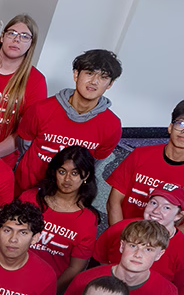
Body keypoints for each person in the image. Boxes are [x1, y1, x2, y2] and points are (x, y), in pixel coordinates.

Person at [15, 49, 123, 192]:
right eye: (89, 73)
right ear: (76, 74)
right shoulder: (41, 109)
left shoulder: (112, 125)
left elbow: (92, 164)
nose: (94, 81)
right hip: (27, 189)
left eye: (103, 77)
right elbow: (24, 146)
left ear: (110, 84)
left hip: (65, 197)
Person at [106, 100, 184, 236]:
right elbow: (114, 202)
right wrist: (121, 237)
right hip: (122, 233)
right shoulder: (140, 155)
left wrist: (152, 247)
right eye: (181, 124)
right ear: (170, 127)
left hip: (159, 244)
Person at [95, 187, 184, 295]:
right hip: (107, 291)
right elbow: (100, 258)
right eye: (154, 203)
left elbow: (178, 290)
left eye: (166, 207)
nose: (156, 211)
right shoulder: (119, 229)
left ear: (179, 215)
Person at [24, 145, 99, 292]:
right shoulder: (30, 198)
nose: (67, 179)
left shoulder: (88, 220)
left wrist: (48, 293)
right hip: (10, 275)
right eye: (62, 171)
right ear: (54, 172)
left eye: (75, 173)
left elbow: (76, 267)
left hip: (48, 287)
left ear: (86, 176)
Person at [0, 16, 47, 154]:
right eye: (12, 33)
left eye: (25, 36)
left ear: (31, 44)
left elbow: (25, 132)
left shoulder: (37, 81)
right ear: (2, 37)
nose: (16, 39)